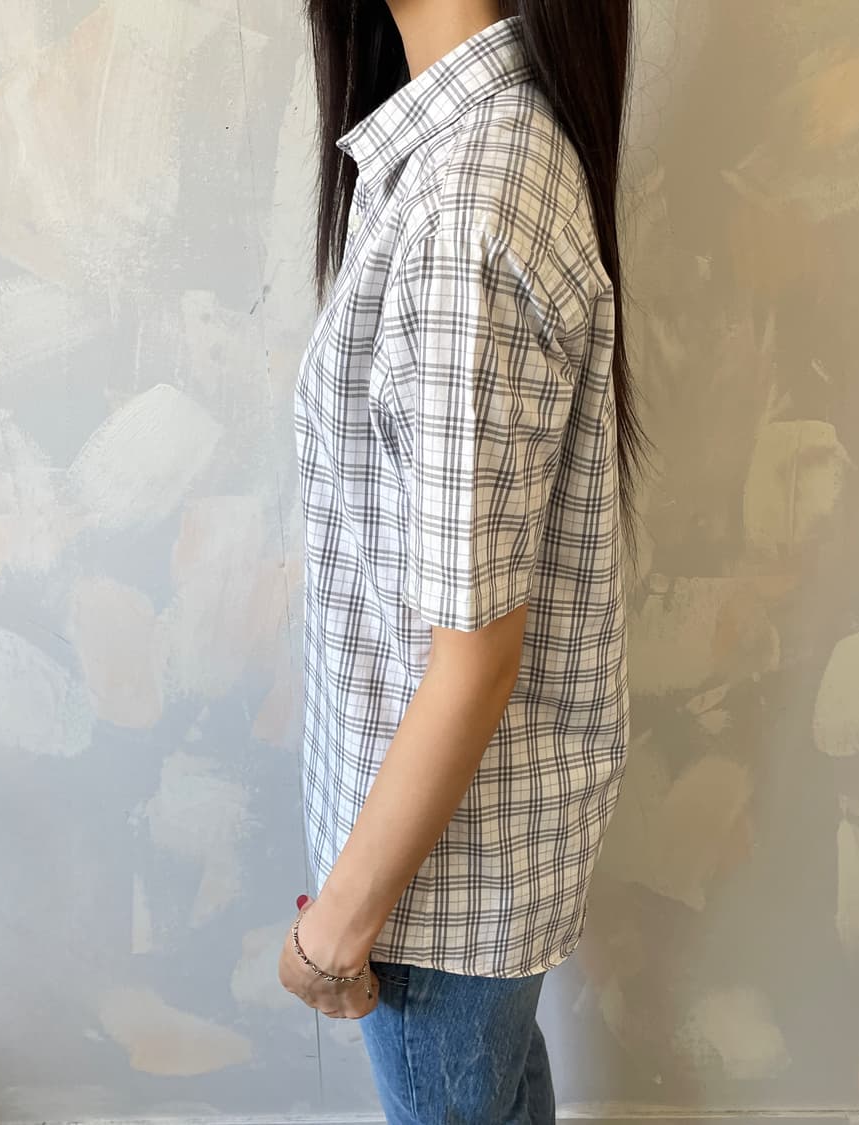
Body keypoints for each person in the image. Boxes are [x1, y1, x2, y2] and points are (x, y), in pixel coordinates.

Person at [279, 0, 652, 1120]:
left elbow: (475, 660)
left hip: (432, 889)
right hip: (448, 857)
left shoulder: (463, 205)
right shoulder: (473, 157)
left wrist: (332, 935)